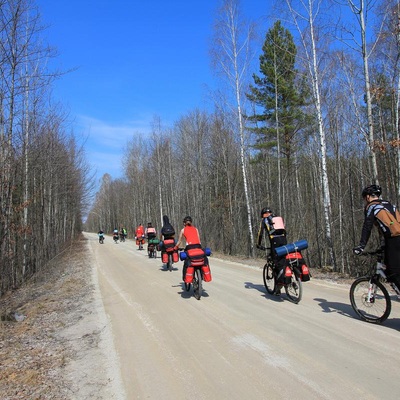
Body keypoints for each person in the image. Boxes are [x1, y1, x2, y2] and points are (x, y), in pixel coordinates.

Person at [353, 184, 400, 291]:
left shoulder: (371, 206)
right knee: (391, 268)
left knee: (393, 271)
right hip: (392, 240)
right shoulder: (388, 204)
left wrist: (361, 246)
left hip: (394, 239)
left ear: (368, 197)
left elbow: (367, 227)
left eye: (365, 198)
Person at [256, 207, 287, 294]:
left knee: (275, 262)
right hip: (284, 240)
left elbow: (260, 234)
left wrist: (258, 244)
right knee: (283, 259)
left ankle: (278, 287)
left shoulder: (264, 220)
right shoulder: (277, 218)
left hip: (275, 242)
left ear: (263, 214)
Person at [175, 216, 208, 281]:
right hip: (198, 247)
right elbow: (198, 239)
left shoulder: (183, 230)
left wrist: (175, 247)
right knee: (203, 259)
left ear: (184, 223)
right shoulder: (196, 229)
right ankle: (202, 275)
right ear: (191, 222)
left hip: (189, 248)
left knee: (186, 263)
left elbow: (179, 241)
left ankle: (185, 278)